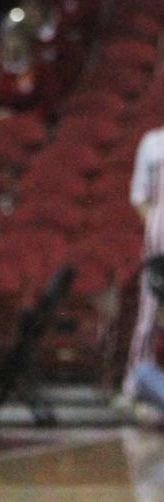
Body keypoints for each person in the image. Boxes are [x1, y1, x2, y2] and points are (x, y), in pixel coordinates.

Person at [124, 126, 164, 404]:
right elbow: (139, 196)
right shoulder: (152, 142)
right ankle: (133, 385)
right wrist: (156, 228)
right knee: (148, 318)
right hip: (158, 253)